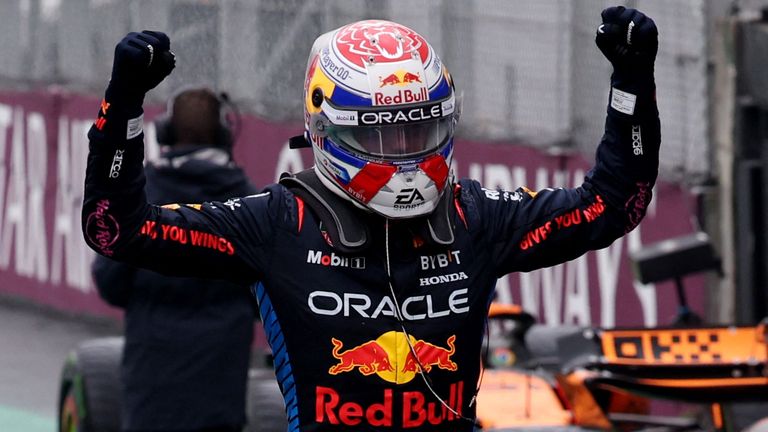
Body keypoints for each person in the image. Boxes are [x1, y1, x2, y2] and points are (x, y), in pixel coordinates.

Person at [83, 7, 659, 431]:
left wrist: (631, 87)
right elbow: (116, 228)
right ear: (324, 129)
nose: (403, 152)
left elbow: (613, 205)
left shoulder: (475, 219)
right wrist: (123, 108)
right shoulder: (277, 223)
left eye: (419, 129)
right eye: (379, 135)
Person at [91, 87, 259, 432]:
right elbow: (267, 293)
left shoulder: (140, 196)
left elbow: (110, 283)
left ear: (165, 132)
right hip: (221, 377)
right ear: (225, 135)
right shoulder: (250, 202)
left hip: (151, 376)